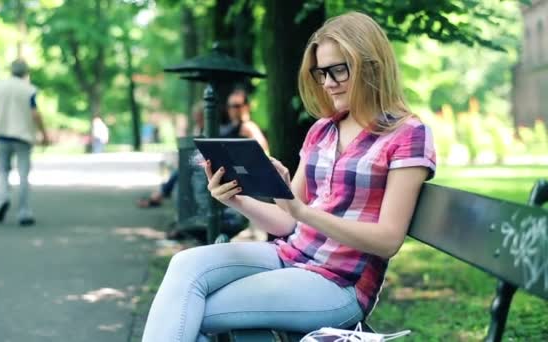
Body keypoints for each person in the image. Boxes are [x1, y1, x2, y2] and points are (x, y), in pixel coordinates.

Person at [141, 11, 436, 342]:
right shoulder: (323, 129)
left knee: (191, 312)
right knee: (185, 266)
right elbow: (286, 223)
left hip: (338, 284)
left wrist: (303, 211)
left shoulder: (406, 134)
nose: (327, 83)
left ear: (371, 65)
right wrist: (235, 198)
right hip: (290, 254)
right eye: (321, 72)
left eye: (339, 69)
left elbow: (388, 239)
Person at [137, 90, 268, 208]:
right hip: (222, 169)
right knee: (188, 168)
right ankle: (183, 215)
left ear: (246, 107)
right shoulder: (229, 126)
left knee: (189, 168)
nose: (232, 109)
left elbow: (262, 149)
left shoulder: (247, 126)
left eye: (236, 106)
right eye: (230, 106)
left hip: (236, 172)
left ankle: (162, 195)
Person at [0, 60, 49, 226]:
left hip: (2, 135)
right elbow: (35, 114)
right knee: (23, 175)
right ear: (26, 72)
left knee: (3, 172)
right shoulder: (28, 90)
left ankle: (3, 198)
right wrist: (44, 134)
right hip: (23, 137)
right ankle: (24, 212)